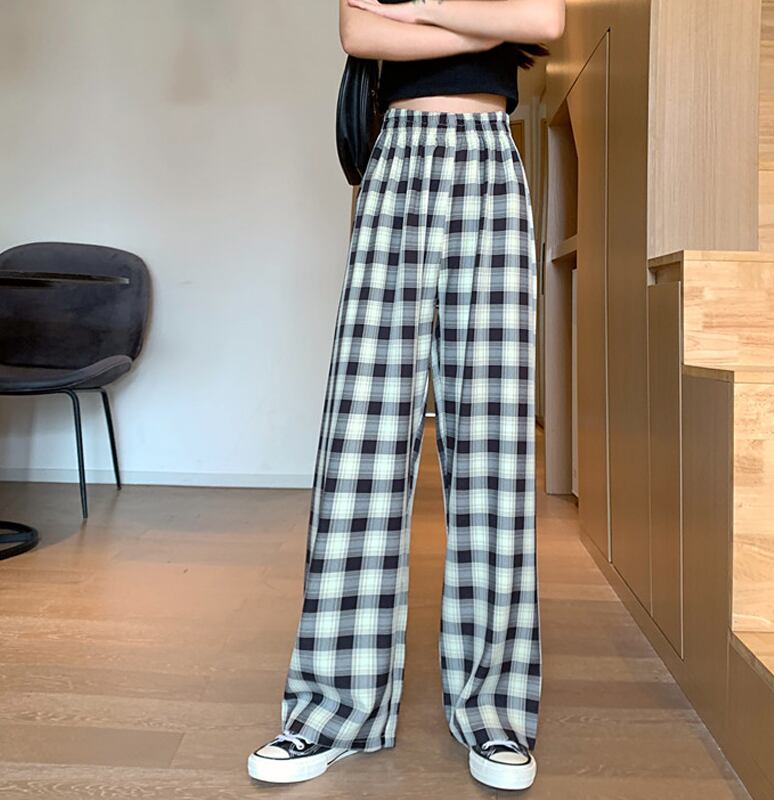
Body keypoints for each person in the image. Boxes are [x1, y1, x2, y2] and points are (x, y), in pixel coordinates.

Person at [248, 0, 565, 791]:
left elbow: (545, 21)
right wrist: (487, 24)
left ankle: (494, 713)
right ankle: (331, 710)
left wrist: (419, 9)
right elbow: (359, 31)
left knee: (493, 442)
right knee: (362, 437)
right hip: (397, 157)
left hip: (490, 156)